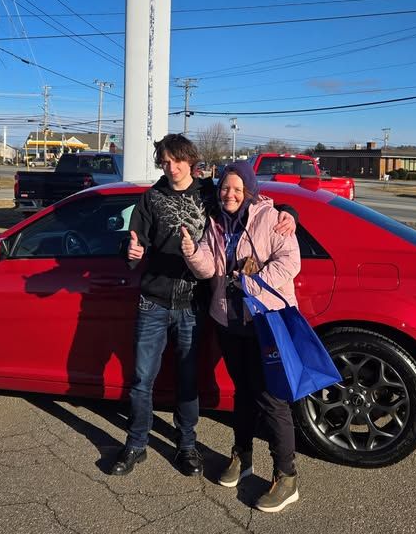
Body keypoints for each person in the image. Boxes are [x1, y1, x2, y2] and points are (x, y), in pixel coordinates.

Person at [112, 134, 296, 477]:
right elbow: (136, 240)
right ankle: (136, 443)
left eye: (176, 161)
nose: (171, 167)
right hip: (153, 301)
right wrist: (129, 250)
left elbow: (249, 200)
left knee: (187, 379)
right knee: (141, 378)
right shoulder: (151, 198)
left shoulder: (209, 193)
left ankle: (186, 446)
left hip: (193, 305)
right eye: (164, 162)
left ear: (190, 161)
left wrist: (290, 212)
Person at [180, 160, 302, 513]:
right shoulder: (216, 222)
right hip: (229, 322)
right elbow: (209, 267)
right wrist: (191, 252)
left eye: (236, 189)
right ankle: (242, 456)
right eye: (224, 188)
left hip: (264, 322)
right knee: (243, 394)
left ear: (248, 190)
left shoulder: (271, 218)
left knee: (272, 399)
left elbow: (290, 261)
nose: (229, 194)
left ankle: (287, 476)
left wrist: (251, 283)